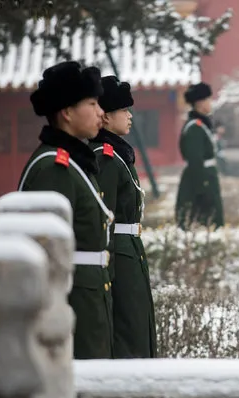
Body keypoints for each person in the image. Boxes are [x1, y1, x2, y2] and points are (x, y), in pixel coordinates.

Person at [18, 61, 114, 360]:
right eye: (92, 103)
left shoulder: (73, 162)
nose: (102, 112)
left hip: (89, 296)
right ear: (67, 112)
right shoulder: (54, 168)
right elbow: (43, 252)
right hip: (72, 302)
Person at [89, 76, 157, 358]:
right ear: (105, 117)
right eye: (124, 111)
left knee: (140, 327)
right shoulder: (105, 157)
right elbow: (105, 222)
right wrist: (110, 273)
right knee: (129, 334)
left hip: (131, 253)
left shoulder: (118, 156)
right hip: (120, 257)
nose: (130, 116)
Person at [175, 82, 225, 230]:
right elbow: (195, 161)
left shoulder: (201, 125)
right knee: (204, 224)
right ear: (199, 103)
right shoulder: (194, 128)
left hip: (207, 179)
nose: (211, 103)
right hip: (200, 183)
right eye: (208, 99)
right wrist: (204, 191)